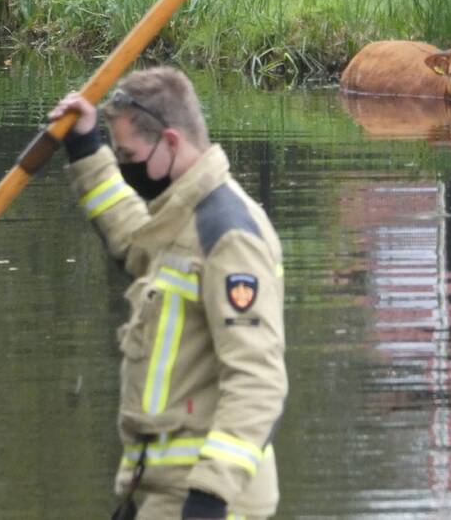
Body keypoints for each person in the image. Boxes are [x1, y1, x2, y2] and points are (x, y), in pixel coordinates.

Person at [48, 66, 287, 520]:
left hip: (208, 500)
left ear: (172, 142)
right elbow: (132, 239)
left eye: (128, 154)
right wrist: (84, 145)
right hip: (161, 492)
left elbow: (259, 381)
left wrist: (210, 498)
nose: (124, 166)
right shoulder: (181, 218)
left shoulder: (229, 235)